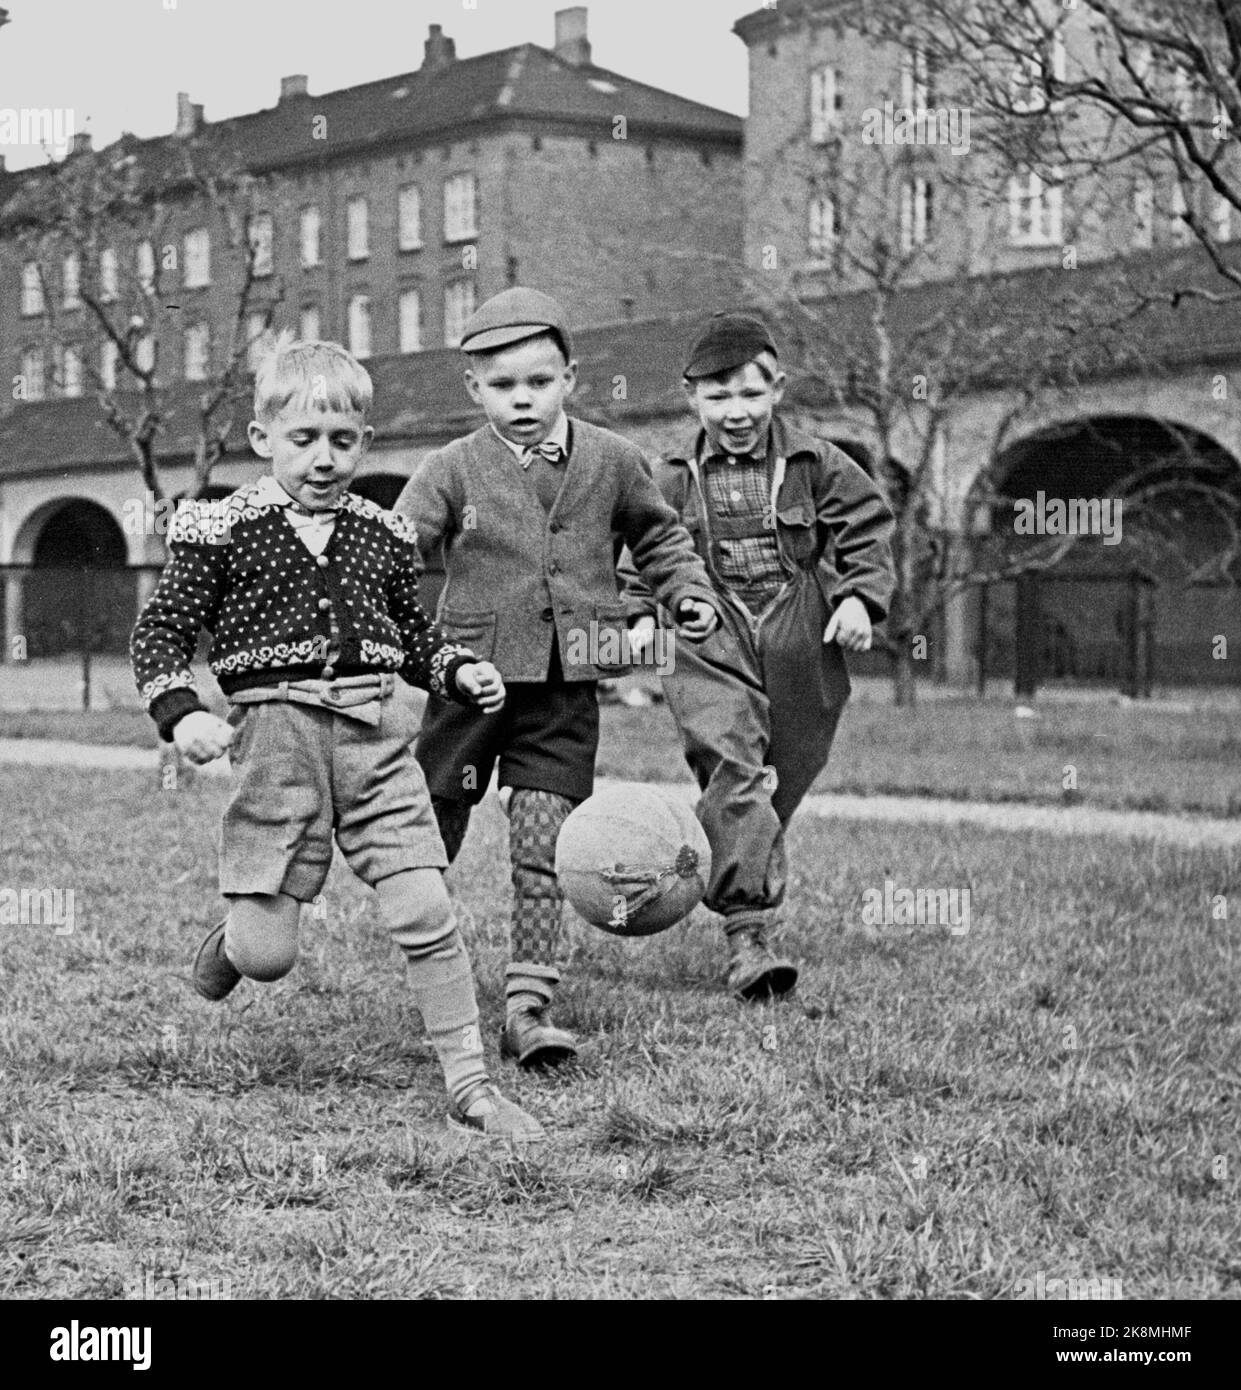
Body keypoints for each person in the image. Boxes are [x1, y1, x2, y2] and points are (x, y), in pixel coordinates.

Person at [130, 335, 542, 1142]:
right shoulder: (220, 528)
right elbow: (161, 637)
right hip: (276, 747)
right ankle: (234, 944)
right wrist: (186, 715)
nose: (324, 459)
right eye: (303, 439)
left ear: (365, 441)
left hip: (376, 743)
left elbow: (413, 636)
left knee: (425, 906)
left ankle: (470, 1087)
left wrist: (458, 672)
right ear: (262, 440)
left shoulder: (381, 535)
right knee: (267, 957)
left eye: (342, 440)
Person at [395, 287, 719, 1069]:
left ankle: (527, 1008)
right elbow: (394, 545)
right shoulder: (450, 467)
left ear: (569, 377)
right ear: (473, 389)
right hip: (467, 686)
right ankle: (427, 968)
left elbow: (661, 538)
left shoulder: (612, 460)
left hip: (566, 689)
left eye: (538, 383)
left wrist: (688, 594)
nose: (522, 401)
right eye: (502, 387)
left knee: (546, 843)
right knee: (424, 831)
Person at [621, 312, 896, 1000]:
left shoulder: (817, 463)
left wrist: (859, 599)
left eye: (749, 394)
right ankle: (748, 936)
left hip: (799, 631)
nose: (735, 412)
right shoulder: (671, 475)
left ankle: (733, 847)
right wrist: (636, 615)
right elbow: (644, 549)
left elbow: (864, 530)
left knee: (784, 774)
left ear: (778, 388)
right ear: (690, 399)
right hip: (706, 630)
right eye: (716, 397)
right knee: (732, 763)